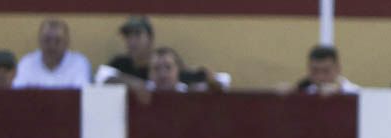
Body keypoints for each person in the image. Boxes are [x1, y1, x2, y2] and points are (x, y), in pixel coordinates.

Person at [95, 15, 228, 93]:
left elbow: (221, 81)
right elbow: (101, 77)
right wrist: (137, 85)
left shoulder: (166, 62)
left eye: (137, 35)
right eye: (128, 36)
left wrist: (208, 80)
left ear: (150, 38)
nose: (132, 41)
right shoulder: (121, 63)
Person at [13, 19, 92, 89]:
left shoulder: (79, 63)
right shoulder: (27, 63)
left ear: (67, 42)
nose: (52, 46)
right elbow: (18, 96)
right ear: (39, 41)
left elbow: (81, 97)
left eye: (58, 41)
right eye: (47, 40)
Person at [147, 47, 230, 92]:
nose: (162, 74)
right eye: (156, 68)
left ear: (178, 70)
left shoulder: (187, 91)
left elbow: (224, 83)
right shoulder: (143, 91)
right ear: (149, 73)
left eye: (168, 67)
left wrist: (209, 79)